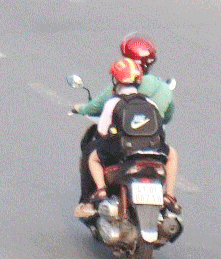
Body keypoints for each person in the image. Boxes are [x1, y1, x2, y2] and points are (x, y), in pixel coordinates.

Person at [72, 38, 177, 208]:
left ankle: (94, 196)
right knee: (172, 154)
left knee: (92, 155)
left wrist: (80, 109)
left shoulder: (114, 99)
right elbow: (166, 119)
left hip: (124, 148)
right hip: (154, 146)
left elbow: (100, 121)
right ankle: (170, 196)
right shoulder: (161, 91)